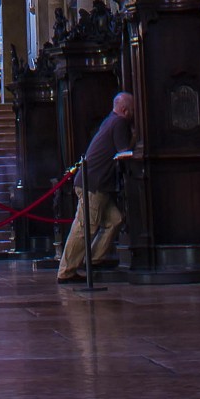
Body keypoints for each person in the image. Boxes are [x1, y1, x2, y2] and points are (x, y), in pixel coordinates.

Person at [58, 91, 135, 281]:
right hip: (93, 185)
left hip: (96, 184)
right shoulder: (118, 123)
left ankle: (92, 260)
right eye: (133, 110)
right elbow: (124, 152)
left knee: (115, 220)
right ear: (125, 110)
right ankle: (66, 272)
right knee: (84, 228)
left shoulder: (110, 120)